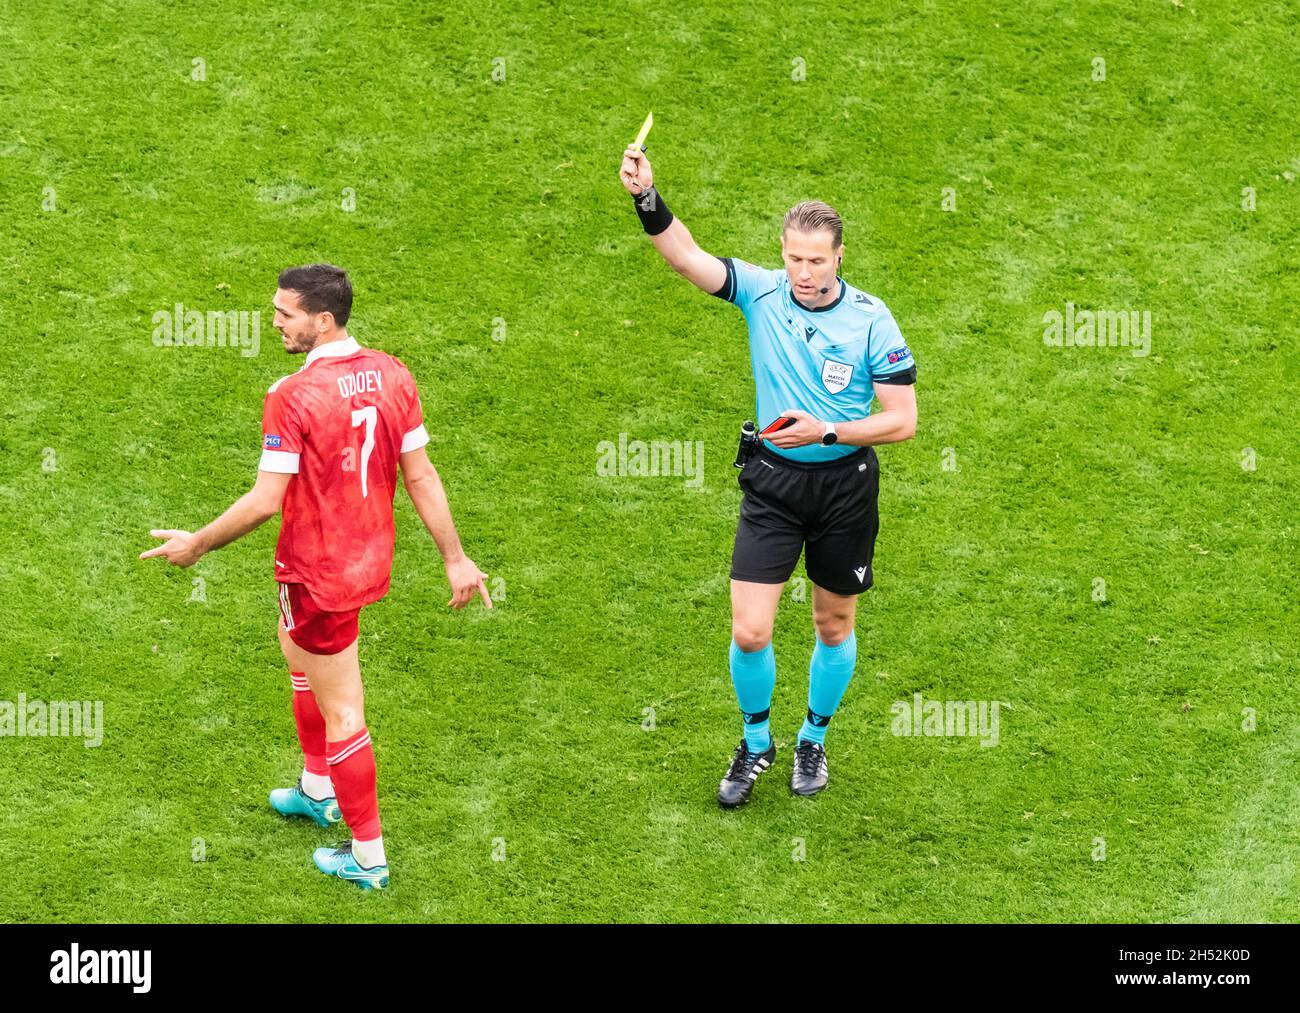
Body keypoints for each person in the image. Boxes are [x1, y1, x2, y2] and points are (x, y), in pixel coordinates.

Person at [141, 263, 491, 887]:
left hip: (316, 570)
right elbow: (422, 475)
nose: (274, 322)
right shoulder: (392, 373)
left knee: (344, 710)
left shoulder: (292, 396)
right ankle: (316, 787)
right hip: (366, 558)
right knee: (298, 659)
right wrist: (454, 556)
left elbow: (265, 500)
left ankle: (367, 856)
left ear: (321, 320)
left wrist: (198, 544)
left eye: (285, 314)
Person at [619, 145, 918, 808]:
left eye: (816, 259)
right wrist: (646, 195)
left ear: (841, 255)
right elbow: (685, 254)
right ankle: (757, 742)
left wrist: (828, 431)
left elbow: (902, 420)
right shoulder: (761, 291)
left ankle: (813, 735)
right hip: (773, 486)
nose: (803, 272)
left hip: (844, 487)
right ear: (780, 253)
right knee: (750, 629)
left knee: (833, 623)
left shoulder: (872, 319)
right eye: (793, 257)